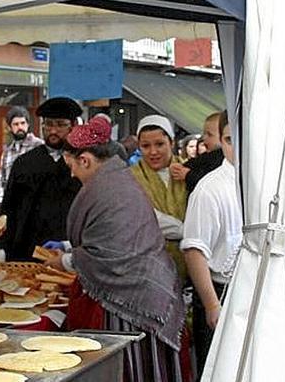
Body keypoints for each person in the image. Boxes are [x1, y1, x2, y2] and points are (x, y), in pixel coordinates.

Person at [43, 115, 185, 382]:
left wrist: (63, 260)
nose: (72, 173)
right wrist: (66, 246)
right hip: (146, 287)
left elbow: (106, 257)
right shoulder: (118, 179)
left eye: (71, 165)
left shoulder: (107, 188)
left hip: (132, 301)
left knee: (130, 368)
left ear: (85, 160)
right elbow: (110, 237)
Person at [181, 111, 242, 377]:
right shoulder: (210, 189)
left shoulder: (264, 184)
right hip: (221, 290)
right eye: (229, 139)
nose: (237, 147)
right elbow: (195, 250)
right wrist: (211, 304)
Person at [1, 97, 82, 261]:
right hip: (27, 251)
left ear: (73, 126)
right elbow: (9, 208)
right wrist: (3, 246)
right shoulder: (25, 163)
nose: (53, 131)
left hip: (69, 253)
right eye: (49, 124)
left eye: (60, 125)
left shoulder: (83, 163)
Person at [131, 114, 189, 279]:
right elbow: (144, 217)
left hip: (191, 265)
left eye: (160, 144)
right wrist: (187, 230)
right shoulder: (130, 177)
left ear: (171, 143)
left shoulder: (189, 171)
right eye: (146, 146)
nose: (153, 152)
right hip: (148, 269)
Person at [171, 112, 224, 193]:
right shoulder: (208, 155)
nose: (204, 138)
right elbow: (194, 163)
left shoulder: (221, 159)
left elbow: (209, 181)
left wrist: (188, 175)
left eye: (210, 135)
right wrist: (180, 168)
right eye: (204, 133)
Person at [0, 106, 44, 197]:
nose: (20, 127)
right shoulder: (7, 152)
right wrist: (3, 199)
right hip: (11, 204)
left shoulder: (39, 146)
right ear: (10, 127)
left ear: (28, 124)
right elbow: (1, 181)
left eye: (23, 123)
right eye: (16, 124)